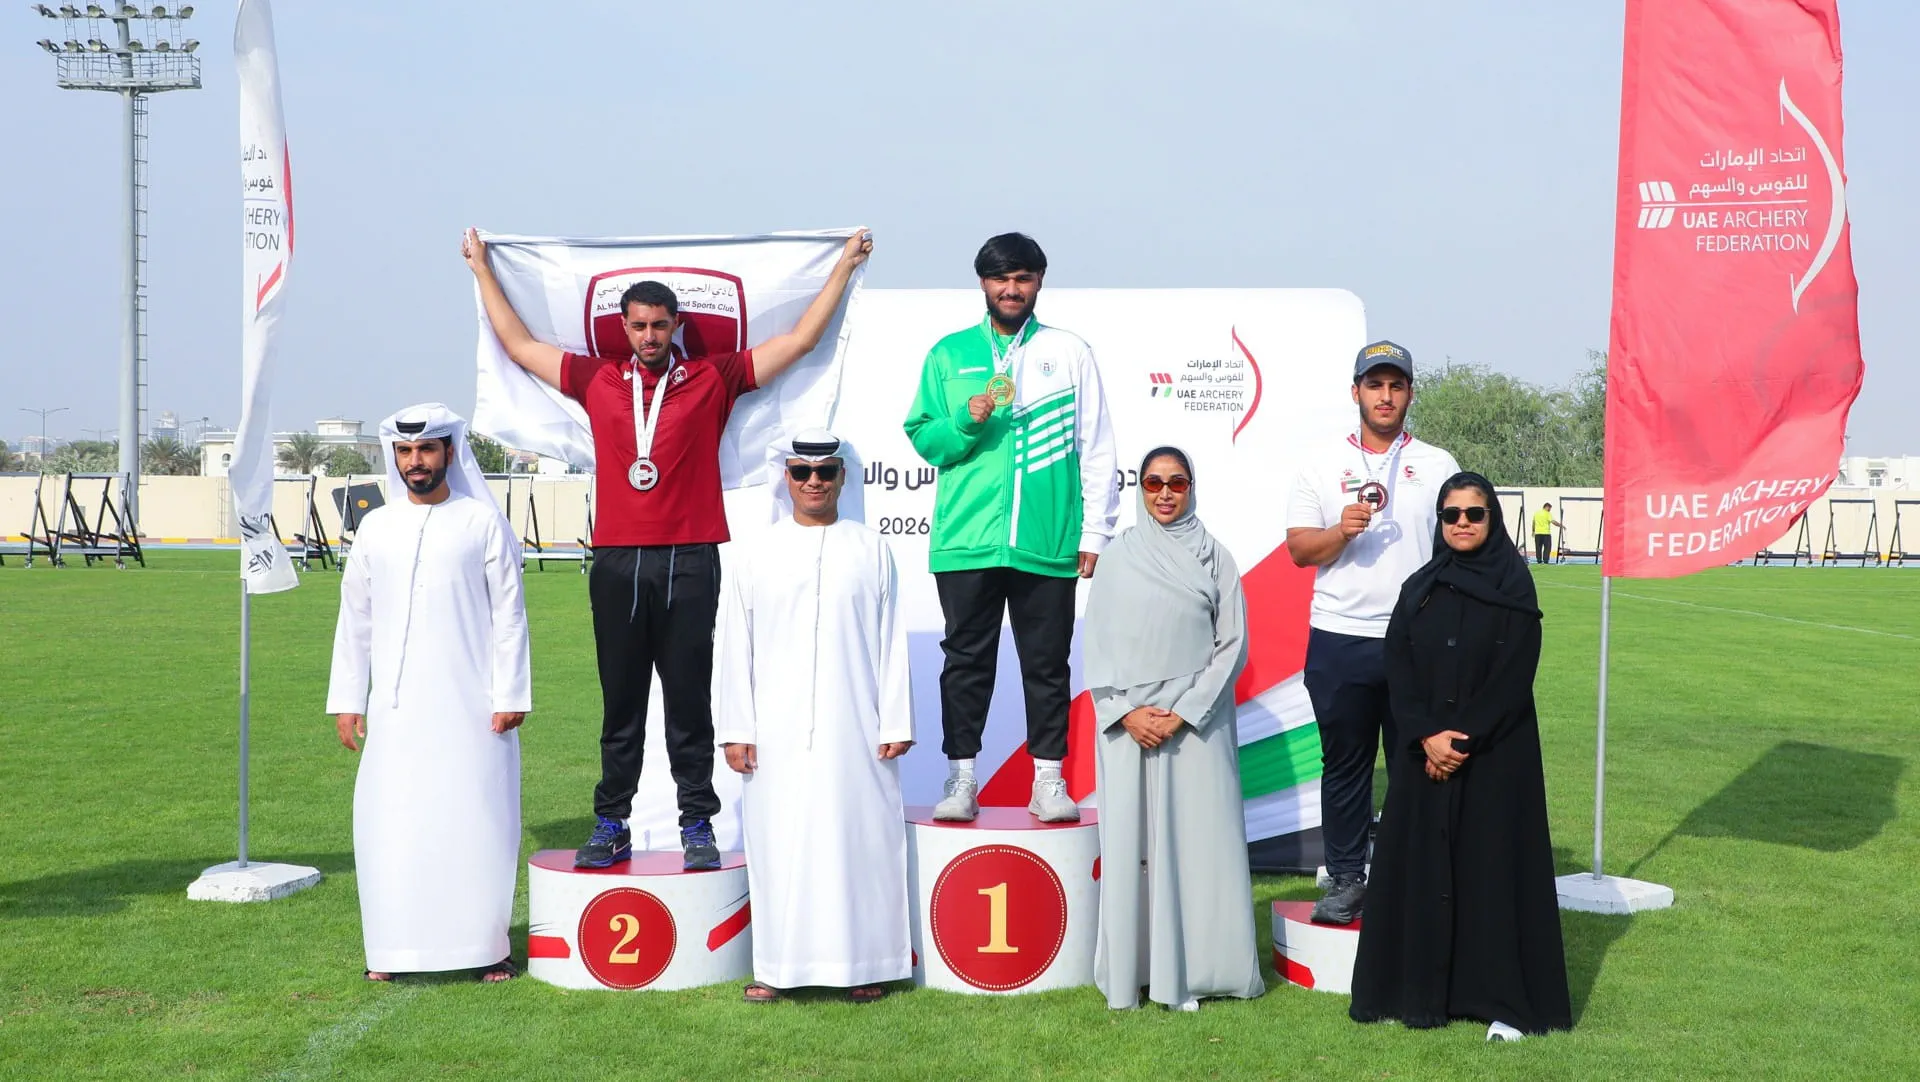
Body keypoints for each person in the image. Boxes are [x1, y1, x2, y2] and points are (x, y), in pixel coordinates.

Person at [462, 228, 872, 870]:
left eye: (659, 325)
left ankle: (697, 825)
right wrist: (483, 269)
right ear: (623, 328)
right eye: (638, 326)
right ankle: (612, 821)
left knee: (689, 700)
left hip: (692, 556)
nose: (649, 336)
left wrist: (844, 267)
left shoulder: (713, 377)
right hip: (619, 558)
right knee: (620, 701)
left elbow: (799, 342)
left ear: (676, 324)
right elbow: (517, 345)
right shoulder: (595, 379)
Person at [903, 232, 1119, 822]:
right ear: (983, 284)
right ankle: (961, 778)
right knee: (966, 661)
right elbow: (925, 438)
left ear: (1039, 283)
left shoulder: (1068, 351)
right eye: (1001, 279)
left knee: (1046, 664)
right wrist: (965, 421)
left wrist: (1093, 532)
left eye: (1022, 278)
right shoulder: (949, 354)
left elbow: (1096, 446)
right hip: (967, 538)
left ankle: (1049, 779)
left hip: (1044, 539)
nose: (1011, 289)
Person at [1348, 472, 1572, 1039]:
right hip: (1424, 754)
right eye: (1452, 515)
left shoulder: (1514, 584)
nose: (1463, 524)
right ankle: (1418, 995)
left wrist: (1459, 741)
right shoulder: (1421, 586)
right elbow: (1397, 662)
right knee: (1423, 871)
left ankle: (1504, 1005)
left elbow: (1514, 675)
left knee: (1491, 876)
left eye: (1475, 514)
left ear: (1492, 519)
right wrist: (1426, 736)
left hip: (1495, 756)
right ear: (1440, 521)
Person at [326, 404, 531, 983]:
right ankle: (390, 953)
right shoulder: (376, 527)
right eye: (406, 452)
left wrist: (510, 692)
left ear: (448, 453)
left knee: (477, 821)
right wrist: (348, 699)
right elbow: (355, 619)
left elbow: (510, 617)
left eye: (428, 450)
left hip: (473, 709)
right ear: (396, 457)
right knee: (392, 824)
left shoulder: (481, 522)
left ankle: (487, 949)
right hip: (395, 712)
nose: (416, 462)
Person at [714, 429, 914, 1004]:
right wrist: (735, 728)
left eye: (825, 472)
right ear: (787, 478)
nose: (814, 483)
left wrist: (895, 720)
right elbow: (735, 644)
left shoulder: (871, 547)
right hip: (773, 730)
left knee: (858, 839)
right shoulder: (755, 550)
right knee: (782, 842)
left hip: (857, 725)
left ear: (843, 478)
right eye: (802, 472)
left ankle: (864, 965)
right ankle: (776, 968)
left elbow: (890, 640)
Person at [1083, 447, 1265, 1012]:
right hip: (1128, 726)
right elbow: (1096, 643)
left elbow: (1231, 644)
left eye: (1177, 482)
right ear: (1139, 488)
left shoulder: (1217, 557)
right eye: (1153, 482)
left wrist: (1185, 710)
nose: (1165, 493)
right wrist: (1125, 713)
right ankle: (1136, 972)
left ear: (1191, 487)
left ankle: (1201, 970)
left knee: (1199, 845)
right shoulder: (1117, 558)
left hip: (1197, 725)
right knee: (1131, 846)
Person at [1285, 340, 1460, 925]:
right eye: (1374, 385)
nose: (1385, 396)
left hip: (1415, 640)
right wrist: (1340, 532)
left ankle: (1415, 877)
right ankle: (1345, 880)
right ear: (1355, 391)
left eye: (1396, 385)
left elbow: (1457, 549)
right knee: (1345, 767)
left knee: (1417, 764)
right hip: (1339, 636)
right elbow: (1298, 550)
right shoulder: (1319, 462)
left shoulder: (1438, 465)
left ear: (1409, 392)